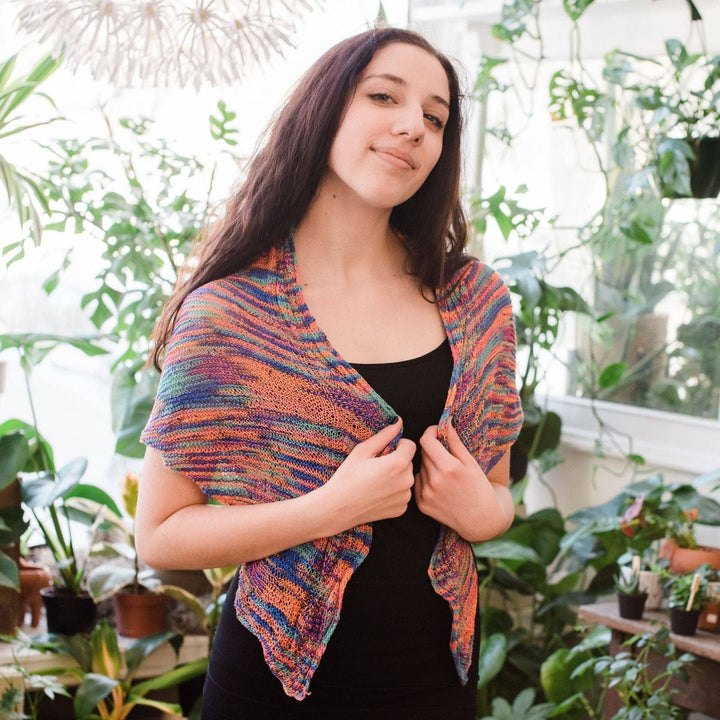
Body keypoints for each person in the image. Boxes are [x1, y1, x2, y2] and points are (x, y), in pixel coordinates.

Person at [136, 25, 522, 720]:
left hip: (436, 682)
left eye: (435, 119)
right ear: (325, 110)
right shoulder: (231, 313)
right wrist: (328, 510)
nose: (412, 127)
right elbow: (161, 535)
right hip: (272, 687)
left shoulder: (475, 300)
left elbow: (496, 497)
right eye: (384, 96)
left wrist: (482, 514)